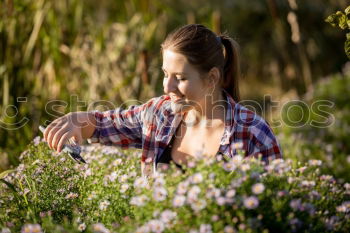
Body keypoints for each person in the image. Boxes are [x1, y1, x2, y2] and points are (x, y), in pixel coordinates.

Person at [43, 24, 282, 176]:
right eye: (165, 74)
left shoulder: (253, 133)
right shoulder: (160, 113)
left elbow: (276, 206)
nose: (167, 87)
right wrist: (76, 120)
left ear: (211, 78)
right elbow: (107, 124)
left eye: (180, 78)